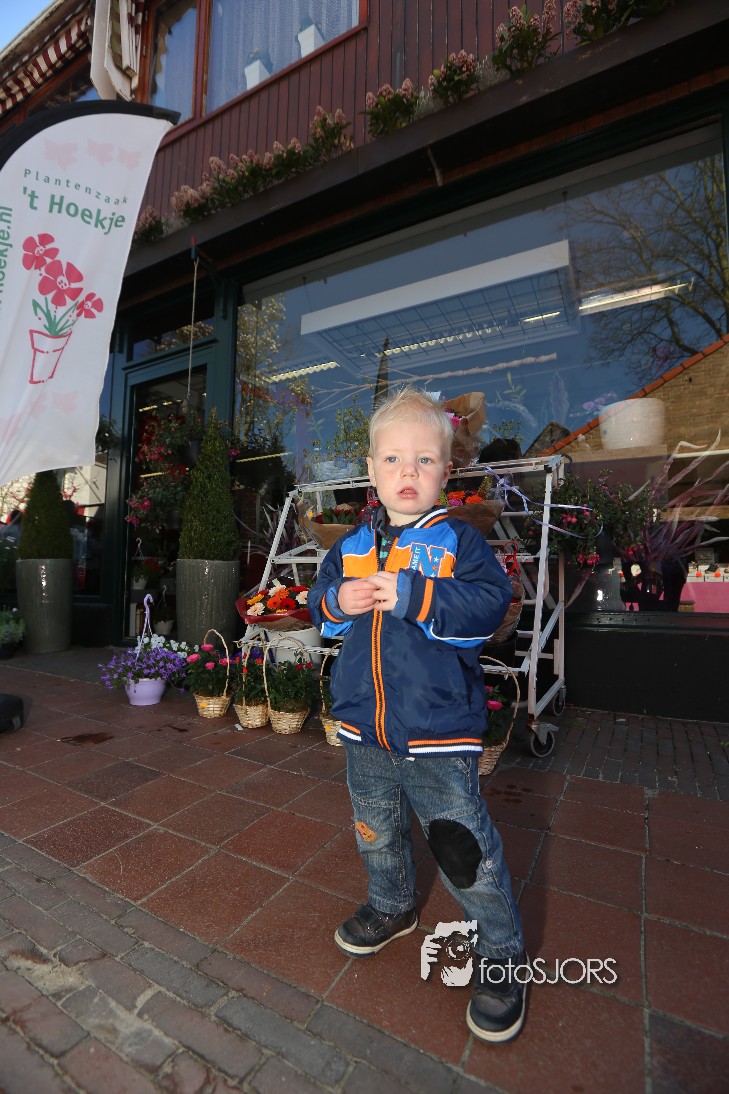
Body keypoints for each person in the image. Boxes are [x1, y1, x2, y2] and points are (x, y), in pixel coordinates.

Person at [308, 388, 528, 1044]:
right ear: (371, 470)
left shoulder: (458, 540)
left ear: (445, 471)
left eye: (424, 459)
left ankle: (500, 950)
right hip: (364, 727)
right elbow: (318, 605)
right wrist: (336, 601)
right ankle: (392, 904)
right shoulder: (351, 544)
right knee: (375, 830)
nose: (408, 471)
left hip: (437, 731)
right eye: (394, 459)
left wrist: (414, 594)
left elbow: (489, 605)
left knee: (461, 846)